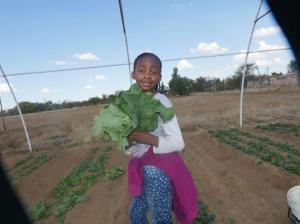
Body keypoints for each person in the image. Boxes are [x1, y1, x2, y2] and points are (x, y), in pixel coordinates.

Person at [123, 52, 199, 224]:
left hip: (159, 169)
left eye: (153, 71)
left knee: (160, 218)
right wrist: (128, 141)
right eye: (142, 70)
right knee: (136, 213)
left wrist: (146, 137)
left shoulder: (162, 102)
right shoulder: (129, 103)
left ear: (159, 77)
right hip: (141, 164)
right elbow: (130, 147)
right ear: (133, 74)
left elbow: (178, 143)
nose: (147, 75)